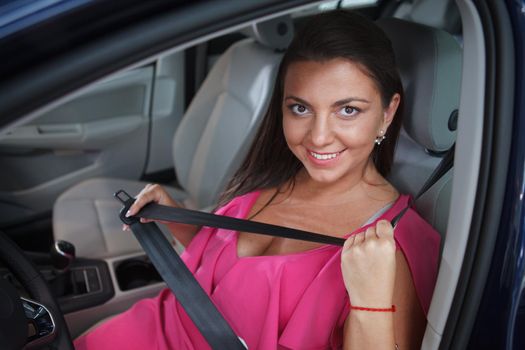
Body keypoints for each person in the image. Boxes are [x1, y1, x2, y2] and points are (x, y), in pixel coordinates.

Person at [75, 10, 440, 350]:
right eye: (300, 108)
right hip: (152, 327)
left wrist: (370, 303)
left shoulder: (391, 246)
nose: (318, 136)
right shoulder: (275, 175)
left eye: (348, 110)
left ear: (387, 113)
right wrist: (177, 217)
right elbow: (230, 276)